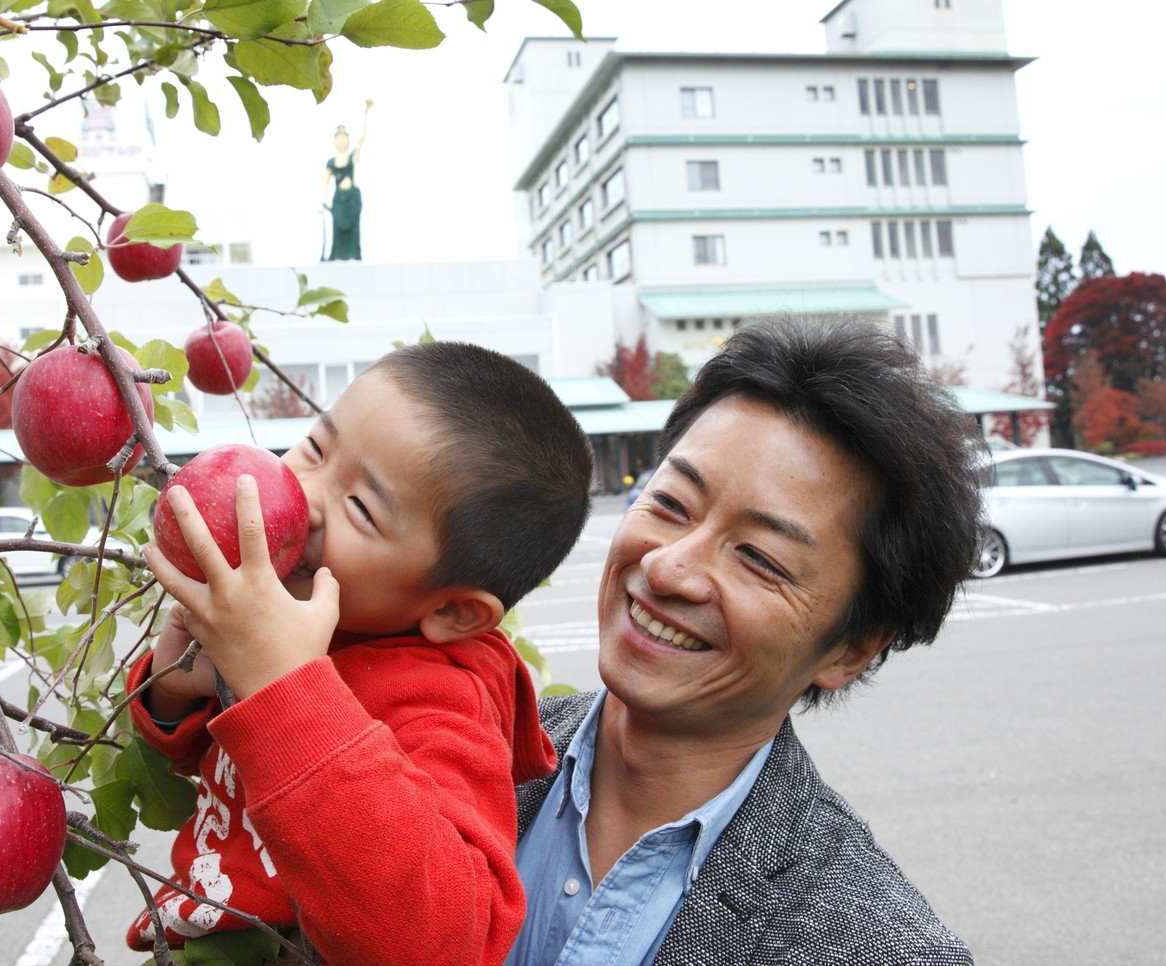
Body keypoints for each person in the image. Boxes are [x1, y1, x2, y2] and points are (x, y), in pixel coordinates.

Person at [509, 319, 983, 965]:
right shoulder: (458, 753)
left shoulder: (873, 947)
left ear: (849, 650)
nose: (666, 567)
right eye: (671, 504)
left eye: (759, 558)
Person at [127, 341, 594, 964]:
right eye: (317, 448)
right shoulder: (285, 619)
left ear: (452, 611)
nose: (306, 497)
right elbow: (206, 760)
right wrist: (171, 688)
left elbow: (450, 937)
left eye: (361, 508)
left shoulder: (439, 704)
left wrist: (283, 689)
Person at [321, 99, 371, 261]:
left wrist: (366, 112)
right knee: (338, 232)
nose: (342, 141)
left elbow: (362, 138)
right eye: (339, 138)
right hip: (339, 201)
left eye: (344, 138)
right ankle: (338, 256)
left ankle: (352, 256)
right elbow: (325, 181)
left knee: (353, 233)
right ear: (335, 141)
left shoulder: (352, 157)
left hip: (352, 199)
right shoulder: (331, 162)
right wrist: (321, 202)